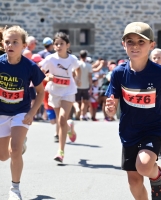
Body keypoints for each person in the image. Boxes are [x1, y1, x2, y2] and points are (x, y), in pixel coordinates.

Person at [105, 22, 161, 200]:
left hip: (155, 128)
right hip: (129, 130)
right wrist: (109, 110)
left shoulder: (159, 73)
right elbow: (110, 109)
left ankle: (158, 176)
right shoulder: (118, 73)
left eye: (141, 42)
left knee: (145, 166)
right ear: (124, 44)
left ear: (151, 45)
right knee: (134, 181)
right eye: (130, 41)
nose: (135, 46)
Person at [0, 26, 45, 200]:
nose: (10, 45)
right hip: (2, 112)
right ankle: (20, 143)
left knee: (16, 150)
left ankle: (15, 189)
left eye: (15, 42)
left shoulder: (30, 67)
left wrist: (32, 112)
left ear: (24, 45)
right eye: (7, 42)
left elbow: (41, 92)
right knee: (3, 156)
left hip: (21, 112)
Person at [40, 32, 81, 163]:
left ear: (67, 45)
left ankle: (60, 151)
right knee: (60, 121)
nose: (58, 46)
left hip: (68, 91)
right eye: (56, 44)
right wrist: (48, 77)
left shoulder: (72, 59)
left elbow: (77, 68)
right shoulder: (50, 59)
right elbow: (40, 73)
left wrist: (78, 77)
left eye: (61, 44)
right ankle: (69, 129)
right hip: (54, 91)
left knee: (62, 118)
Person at [73, 50, 92, 121]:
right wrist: (90, 86)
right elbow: (90, 76)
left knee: (76, 101)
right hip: (86, 85)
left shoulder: (77, 64)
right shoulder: (89, 65)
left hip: (77, 85)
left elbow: (74, 74)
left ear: (80, 56)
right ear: (86, 56)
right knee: (85, 101)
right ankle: (82, 115)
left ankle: (77, 111)